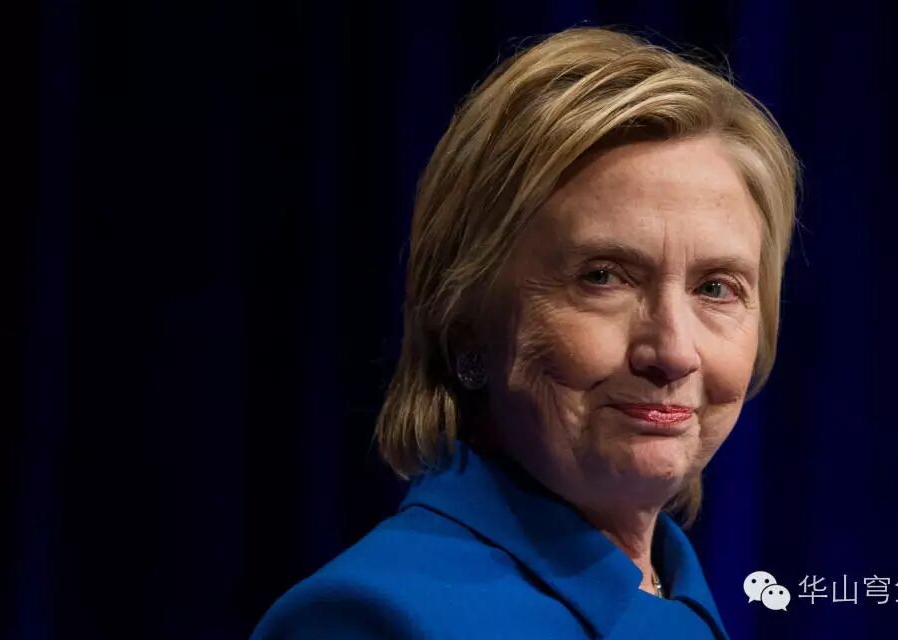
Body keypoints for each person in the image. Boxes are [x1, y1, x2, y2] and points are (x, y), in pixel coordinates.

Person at [251, 26, 797, 639]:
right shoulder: (369, 621)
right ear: (466, 322)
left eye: (716, 288)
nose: (672, 351)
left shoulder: (680, 597)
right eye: (602, 277)